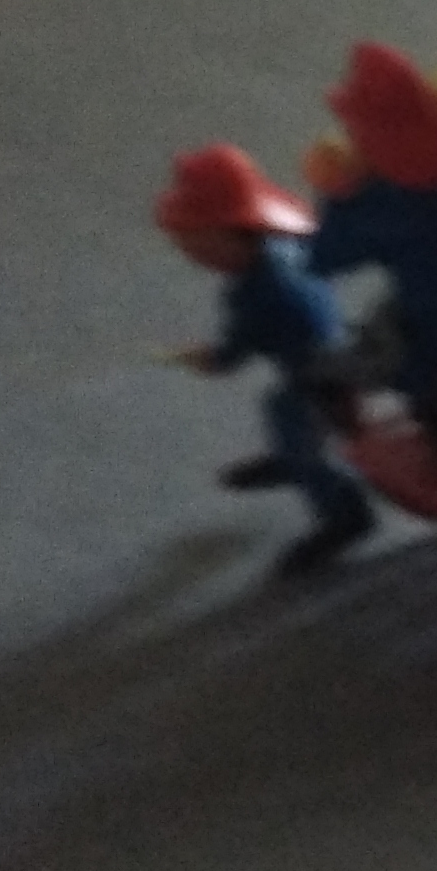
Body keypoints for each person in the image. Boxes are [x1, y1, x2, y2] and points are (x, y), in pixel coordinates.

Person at [158, 142, 378, 578]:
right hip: (331, 356)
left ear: (231, 234)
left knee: (299, 430)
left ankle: (346, 512)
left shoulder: (260, 293)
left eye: (196, 243)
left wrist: (212, 359)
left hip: (319, 374)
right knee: (287, 413)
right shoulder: (283, 250)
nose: (190, 254)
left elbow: (235, 351)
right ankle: (294, 458)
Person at [305, 41, 437, 460]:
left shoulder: (379, 207)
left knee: (361, 361)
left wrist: (335, 194)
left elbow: (323, 258)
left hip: (427, 325)